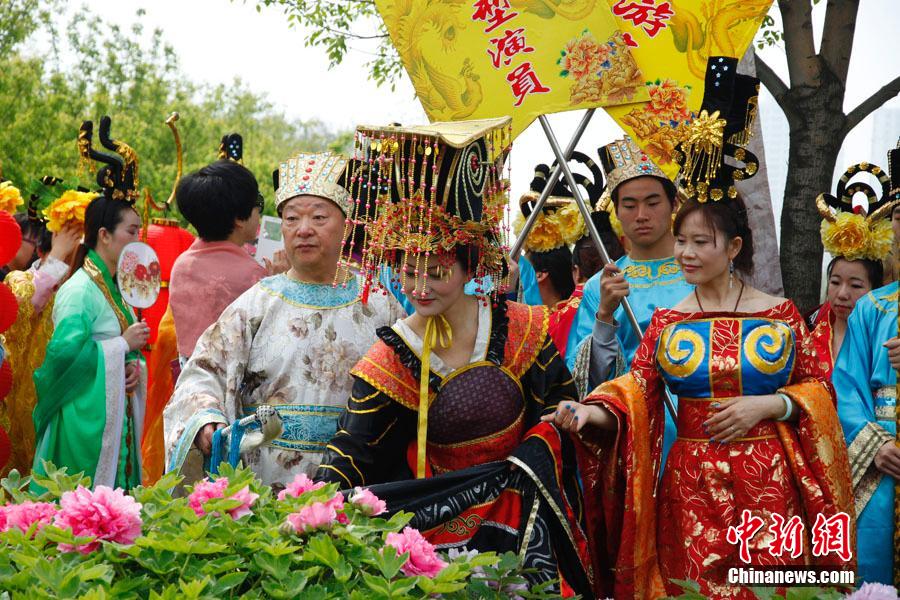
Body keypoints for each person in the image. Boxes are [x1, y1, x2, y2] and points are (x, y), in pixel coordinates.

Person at [545, 59, 854, 598]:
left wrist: (770, 405)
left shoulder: (778, 314)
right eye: (682, 241)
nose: (686, 253)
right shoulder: (666, 322)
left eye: (701, 242)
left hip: (769, 484)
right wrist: (588, 411)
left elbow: (819, 391)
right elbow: (632, 395)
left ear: (733, 248)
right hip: (688, 486)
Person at [315, 119, 603, 597]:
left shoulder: (521, 327)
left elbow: (562, 404)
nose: (419, 288)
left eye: (437, 271)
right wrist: (317, 505)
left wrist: (548, 436)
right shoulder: (391, 355)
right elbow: (355, 449)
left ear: (470, 266)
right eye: (408, 272)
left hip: (524, 518)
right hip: (434, 524)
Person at [164, 151, 404, 487]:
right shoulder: (255, 305)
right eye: (292, 219)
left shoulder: (381, 305)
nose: (304, 230)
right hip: (266, 479)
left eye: (319, 218)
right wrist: (205, 418)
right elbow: (203, 372)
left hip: (356, 477)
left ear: (346, 225)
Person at [31, 118, 151, 491]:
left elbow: (126, 349)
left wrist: (131, 368)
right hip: (82, 423)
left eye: (139, 232)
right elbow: (62, 357)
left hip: (113, 418)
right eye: (131, 231)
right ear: (104, 235)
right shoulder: (80, 289)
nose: (138, 239)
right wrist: (121, 347)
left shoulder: (117, 287)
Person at [832, 143, 900, 585]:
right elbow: (846, 387)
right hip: (886, 460)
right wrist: (875, 444)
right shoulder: (873, 308)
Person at [1, 190, 82, 477]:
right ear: (43, 252)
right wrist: (59, 255)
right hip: (26, 400)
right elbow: (21, 311)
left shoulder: (82, 289)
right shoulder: (18, 281)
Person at [169, 159, 268, 362]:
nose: (259, 211)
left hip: (187, 381)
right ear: (240, 218)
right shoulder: (254, 276)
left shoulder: (182, 265)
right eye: (258, 203)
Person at [808, 162, 892, 379]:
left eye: (855, 285)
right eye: (835, 282)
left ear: (876, 290)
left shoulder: (888, 337)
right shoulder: (808, 329)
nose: (842, 294)